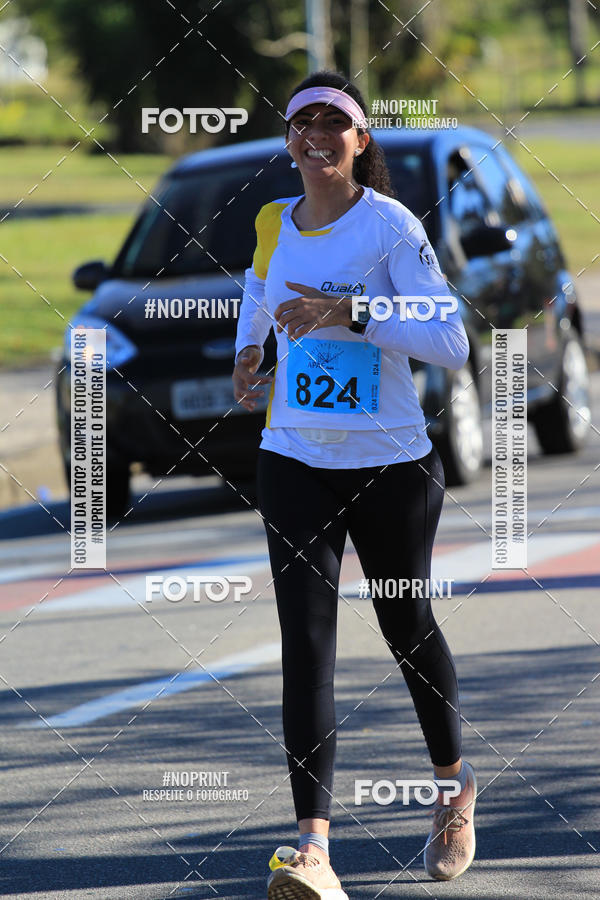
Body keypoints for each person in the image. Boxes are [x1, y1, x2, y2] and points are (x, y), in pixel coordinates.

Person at [232, 70, 477, 900]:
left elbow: (452, 341)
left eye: (335, 121)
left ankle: (451, 789)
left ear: (360, 140)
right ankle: (313, 850)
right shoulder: (274, 221)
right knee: (306, 647)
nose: (316, 135)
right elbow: (260, 294)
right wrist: (250, 350)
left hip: (392, 465)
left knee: (405, 627)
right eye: (302, 122)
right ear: (288, 139)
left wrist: (353, 314)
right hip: (294, 458)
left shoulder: (390, 226)